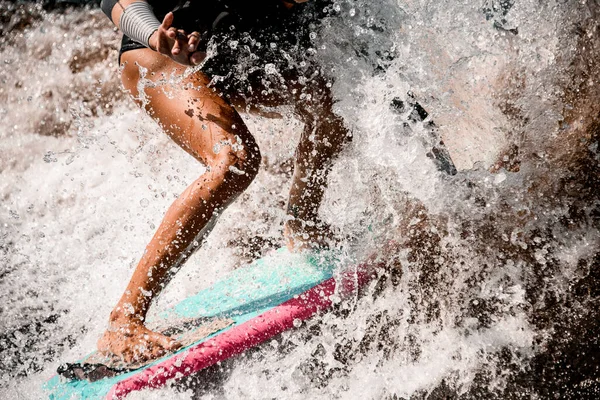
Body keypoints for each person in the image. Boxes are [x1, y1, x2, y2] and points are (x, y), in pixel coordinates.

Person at [96, 0, 349, 364]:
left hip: (235, 51)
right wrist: (155, 34)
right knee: (234, 161)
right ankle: (124, 321)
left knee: (340, 101)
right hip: (161, 52)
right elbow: (114, 2)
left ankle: (302, 226)